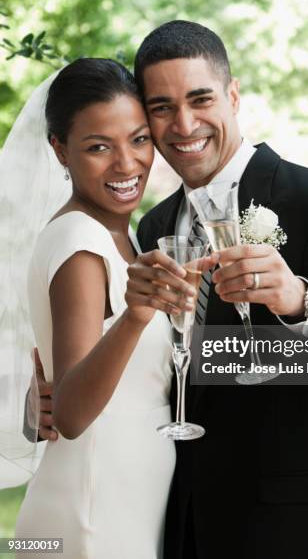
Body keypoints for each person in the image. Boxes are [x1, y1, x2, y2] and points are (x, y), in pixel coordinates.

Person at [32, 22, 308, 558]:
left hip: (290, 531)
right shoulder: (150, 226)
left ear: (233, 95)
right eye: (160, 108)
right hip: (176, 523)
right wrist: (47, 398)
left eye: (200, 98)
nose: (183, 124)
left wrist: (299, 300)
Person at [3, 58, 213, 559]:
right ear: (60, 150)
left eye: (139, 140)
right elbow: (73, 414)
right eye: (99, 147)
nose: (127, 164)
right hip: (92, 509)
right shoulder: (81, 242)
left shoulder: (126, 240)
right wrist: (135, 317)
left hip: (126, 496)